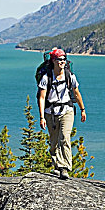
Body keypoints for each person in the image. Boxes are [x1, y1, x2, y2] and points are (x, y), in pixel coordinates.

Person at [38, 48, 86, 180]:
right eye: (60, 59)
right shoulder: (46, 77)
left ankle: (64, 167)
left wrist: (82, 109)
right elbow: (41, 98)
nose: (62, 62)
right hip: (50, 113)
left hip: (67, 110)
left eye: (64, 59)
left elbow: (76, 93)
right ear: (53, 60)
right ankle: (56, 166)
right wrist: (42, 117)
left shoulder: (70, 76)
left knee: (64, 137)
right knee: (53, 142)